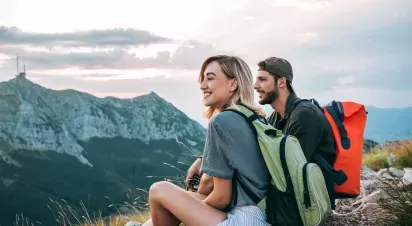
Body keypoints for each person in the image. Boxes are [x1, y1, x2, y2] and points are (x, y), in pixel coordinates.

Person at [142, 55, 270, 226]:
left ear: (233, 83)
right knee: (188, 199)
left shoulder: (221, 121)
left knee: (158, 190)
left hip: (243, 218)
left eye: (210, 78)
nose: (202, 86)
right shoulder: (255, 118)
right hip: (261, 214)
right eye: (202, 80)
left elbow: (222, 198)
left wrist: (187, 213)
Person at [253, 56, 336, 225]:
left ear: (281, 82)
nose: (256, 85)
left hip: (308, 203)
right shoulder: (276, 117)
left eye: (262, 79)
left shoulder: (305, 115)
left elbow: (289, 173)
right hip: (291, 196)